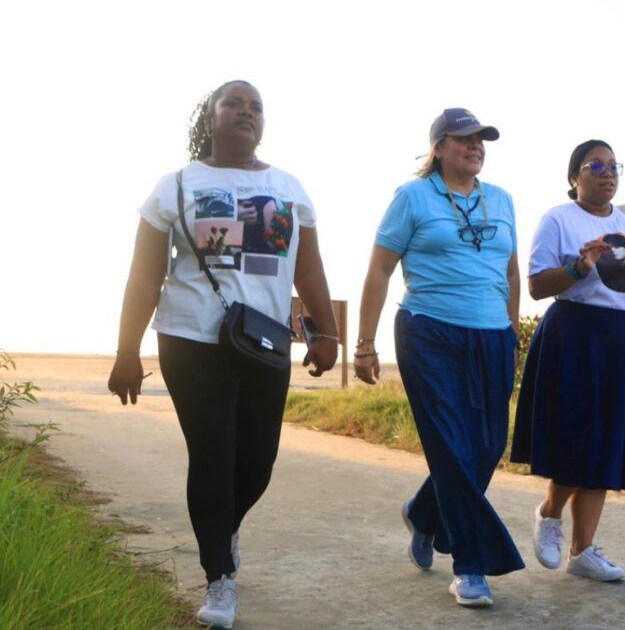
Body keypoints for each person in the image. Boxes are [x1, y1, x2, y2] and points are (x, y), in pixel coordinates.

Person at [107, 80, 338, 629]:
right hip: (191, 339)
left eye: (255, 106)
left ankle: (222, 526)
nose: (245, 112)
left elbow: (308, 269)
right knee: (212, 456)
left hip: (263, 341)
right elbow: (145, 275)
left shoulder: (290, 187)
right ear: (209, 118)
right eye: (232, 103)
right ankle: (220, 576)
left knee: (257, 462)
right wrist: (125, 350)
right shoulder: (177, 185)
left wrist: (325, 333)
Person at [354, 108, 524, 606]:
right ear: (438, 146)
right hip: (429, 331)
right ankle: (471, 565)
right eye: (464, 138)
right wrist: (364, 344)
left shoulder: (503, 200)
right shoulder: (412, 198)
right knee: (451, 445)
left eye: (481, 140)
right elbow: (379, 270)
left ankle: (426, 513)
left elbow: (512, 273)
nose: (476, 146)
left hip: (491, 335)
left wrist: (510, 331)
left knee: (488, 445)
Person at [510, 139, 625, 582]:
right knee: (576, 436)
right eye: (595, 165)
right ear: (574, 178)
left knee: (606, 442)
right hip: (574, 335)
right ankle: (549, 515)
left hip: (618, 339)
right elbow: (536, 286)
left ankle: (583, 551)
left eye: (612, 166)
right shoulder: (558, 220)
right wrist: (578, 269)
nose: (607, 173)